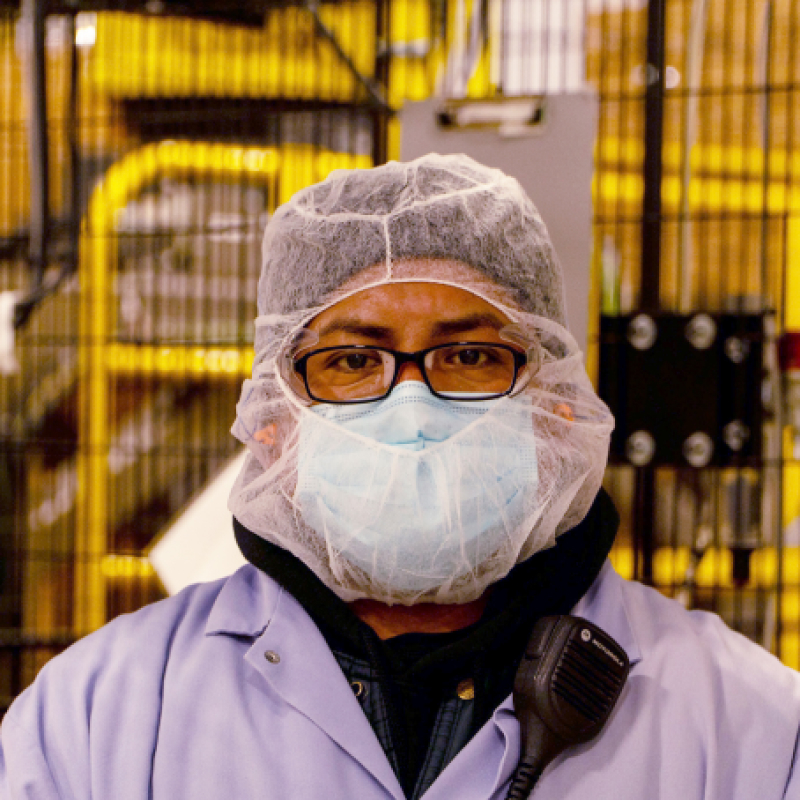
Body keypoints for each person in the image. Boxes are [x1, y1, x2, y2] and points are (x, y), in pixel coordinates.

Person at [2, 153, 799, 800]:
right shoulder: (96, 719)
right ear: (274, 422)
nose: (412, 401)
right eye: (351, 360)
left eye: (469, 356)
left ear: (554, 403)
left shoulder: (748, 728)